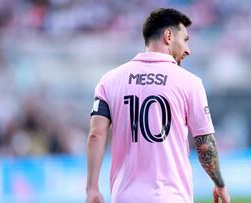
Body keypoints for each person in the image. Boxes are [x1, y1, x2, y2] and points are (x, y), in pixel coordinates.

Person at [86, 8, 230, 203]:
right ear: (168, 36)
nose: (188, 50)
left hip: (125, 197)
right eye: (185, 39)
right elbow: (205, 143)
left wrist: (92, 189)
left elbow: (96, 134)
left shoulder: (109, 80)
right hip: (172, 197)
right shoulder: (190, 82)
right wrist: (219, 183)